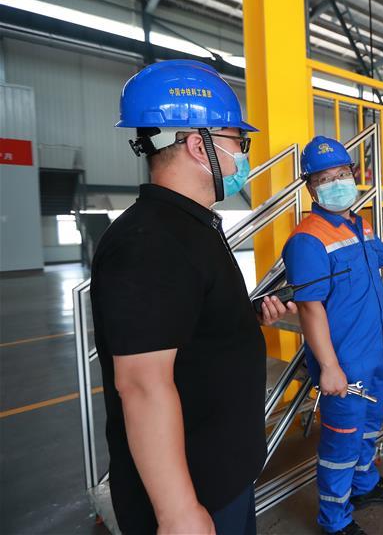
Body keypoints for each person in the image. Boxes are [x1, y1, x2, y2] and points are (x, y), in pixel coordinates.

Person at [91, 59, 296, 535]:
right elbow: (141, 384)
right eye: (236, 141)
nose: (242, 154)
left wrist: (244, 319)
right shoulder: (150, 242)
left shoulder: (190, 226)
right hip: (194, 495)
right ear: (196, 144)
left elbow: (184, 325)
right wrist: (179, 511)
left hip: (221, 474)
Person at [282, 136, 383, 535]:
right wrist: (328, 367)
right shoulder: (307, 239)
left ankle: (364, 486)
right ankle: (334, 521)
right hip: (344, 363)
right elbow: (309, 307)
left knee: (370, 427)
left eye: (342, 174)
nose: (337, 182)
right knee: (341, 442)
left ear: (353, 175)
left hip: (374, 352)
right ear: (311, 187)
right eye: (326, 178)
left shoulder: (360, 222)